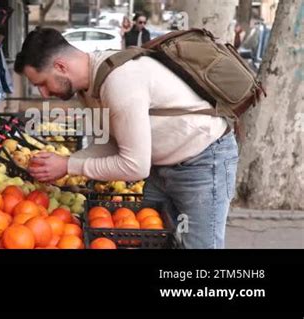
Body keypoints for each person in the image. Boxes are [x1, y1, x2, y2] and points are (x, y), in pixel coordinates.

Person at [14, 28, 238, 249]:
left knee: (198, 245)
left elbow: (135, 167)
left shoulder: (119, 81)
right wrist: (66, 164)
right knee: (153, 241)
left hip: (203, 162)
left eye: (41, 83)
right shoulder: (89, 87)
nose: (43, 94)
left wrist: (69, 164)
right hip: (161, 167)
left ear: (61, 67)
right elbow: (109, 143)